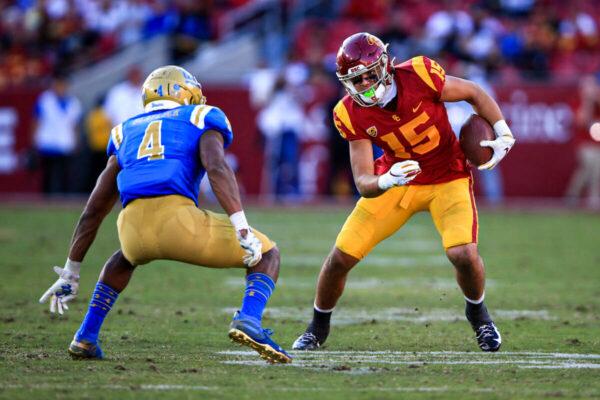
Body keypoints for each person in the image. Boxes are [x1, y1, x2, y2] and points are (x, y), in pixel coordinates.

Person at [38, 66, 292, 364]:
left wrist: (71, 270)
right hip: (179, 222)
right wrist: (242, 227)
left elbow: (93, 209)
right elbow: (217, 167)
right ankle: (249, 319)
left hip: (132, 228)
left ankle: (85, 335)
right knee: (268, 254)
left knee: (123, 258)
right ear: (186, 93)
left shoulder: (124, 130)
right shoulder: (200, 116)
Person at [293, 33, 515, 353]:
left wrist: (503, 131)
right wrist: (386, 181)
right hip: (398, 181)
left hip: (447, 177)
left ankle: (479, 315)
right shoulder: (348, 112)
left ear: (384, 64)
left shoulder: (421, 74)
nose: (365, 84)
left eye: (369, 74)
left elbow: (474, 92)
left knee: (463, 254)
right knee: (339, 258)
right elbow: (363, 181)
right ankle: (317, 327)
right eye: (355, 79)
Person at [32, 72, 82, 194]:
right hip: (47, 142)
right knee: (48, 175)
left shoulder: (73, 103)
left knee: (66, 175)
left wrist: (76, 141)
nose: (60, 88)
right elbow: (36, 121)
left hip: (65, 143)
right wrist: (34, 140)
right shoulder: (45, 100)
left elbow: (75, 125)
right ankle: (46, 201)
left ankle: (63, 202)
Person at [565, 74, 600, 209]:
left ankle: (573, 197)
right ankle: (591, 198)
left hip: (598, 144)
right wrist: (588, 101)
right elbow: (582, 121)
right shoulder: (577, 101)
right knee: (592, 168)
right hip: (585, 144)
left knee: (587, 171)